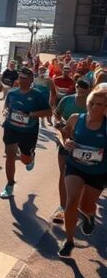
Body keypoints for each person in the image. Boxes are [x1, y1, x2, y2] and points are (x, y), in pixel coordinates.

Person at [57, 88, 107, 259]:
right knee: (71, 202)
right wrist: (66, 141)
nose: (93, 107)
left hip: (98, 172)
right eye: (91, 103)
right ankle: (69, 241)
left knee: (85, 206)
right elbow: (62, 132)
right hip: (75, 166)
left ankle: (89, 216)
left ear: (105, 107)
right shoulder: (76, 118)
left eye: (98, 104)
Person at [0, 68, 53, 199]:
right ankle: (9, 184)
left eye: (25, 78)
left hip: (29, 131)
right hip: (11, 128)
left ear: (31, 80)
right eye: (21, 77)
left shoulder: (37, 95)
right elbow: (6, 106)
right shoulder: (12, 93)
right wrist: (6, 111)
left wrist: (31, 114)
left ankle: (31, 157)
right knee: (10, 155)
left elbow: (48, 112)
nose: (22, 80)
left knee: (25, 160)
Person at [50, 79, 90, 224]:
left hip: (86, 146)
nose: (81, 90)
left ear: (89, 90)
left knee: (82, 177)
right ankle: (62, 206)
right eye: (79, 87)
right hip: (66, 140)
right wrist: (59, 123)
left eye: (85, 88)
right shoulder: (67, 100)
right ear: (76, 87)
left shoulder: (92, 104)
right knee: (64, 173)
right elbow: (57, 114)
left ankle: (78, 206)